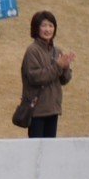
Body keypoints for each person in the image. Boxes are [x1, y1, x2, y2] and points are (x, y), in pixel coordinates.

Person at [20, 10, 75, 138]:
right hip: (37, 110)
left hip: (53, 109)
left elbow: (64, 80)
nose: (48, 29)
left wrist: (66, 68)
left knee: (50, 151)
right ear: (36, 28)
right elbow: (35, 77)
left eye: (51, 26)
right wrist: (58, 66)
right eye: (44, 25)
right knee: (37, 151)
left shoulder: (57, 51)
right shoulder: (32, 50)